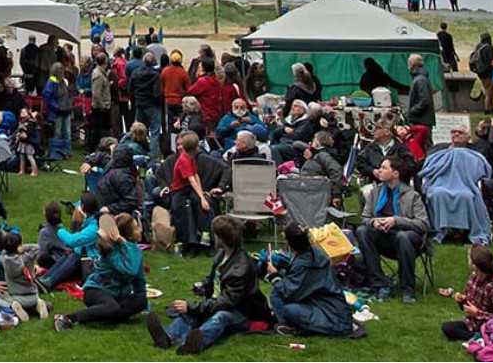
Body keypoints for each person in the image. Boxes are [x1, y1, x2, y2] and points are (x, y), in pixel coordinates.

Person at [147, 215, 273, 355]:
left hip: (243, 312)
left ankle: (193, 342)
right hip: (221, 302)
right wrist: (203, 287)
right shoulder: (222, 254)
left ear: (221, 238)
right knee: (190, 313)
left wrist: (192, 305)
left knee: (220, 317)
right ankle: (166, 337)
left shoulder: (241, 268)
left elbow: (227, 302)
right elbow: (215, 278)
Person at [356, 156, 431, 303]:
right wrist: (374, 222)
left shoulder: (412, 195)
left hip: (409, 240)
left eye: (384, 168)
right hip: (383, 236)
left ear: (395, 173)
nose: (379, 171)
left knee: (402, 236)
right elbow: (364, 218)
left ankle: (408, 289)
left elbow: (423, 224)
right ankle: (379, 283)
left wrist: (396, 221)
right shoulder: (375, 192)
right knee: (362, 231)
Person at [266, 222, 360, 337]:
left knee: (285, 305)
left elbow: (290, 293)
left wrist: (274, 276)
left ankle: (291, 327)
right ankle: (291, 325)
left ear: (290, 243)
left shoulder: (303, 264)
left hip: (331, 316)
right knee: (281, 298)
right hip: (333, 309)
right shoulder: (316, 252)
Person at [55, 214, 147, 331]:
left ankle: (105, 316)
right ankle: (69, 318)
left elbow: (139, 281)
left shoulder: (135, 251)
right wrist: (124, 243)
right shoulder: (112, 251)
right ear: (128, 235)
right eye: (136, 228)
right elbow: (129, 269)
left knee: (141, 300)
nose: (140, 230)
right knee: (112, 308)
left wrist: (141, 304)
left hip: (117, 295)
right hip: (96, 290)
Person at [442, 245, 493, 341]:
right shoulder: (473, 278)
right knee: (447, 327)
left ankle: (482, 337)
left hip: (490, 326)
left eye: (468, 258)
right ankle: (479, 337)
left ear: (474, 266)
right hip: (472, 323)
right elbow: (469, 305)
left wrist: (478, 313)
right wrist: (462, 300)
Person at [38, 193, 101, 291]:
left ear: (83, 207)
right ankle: (45, 278)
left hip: (93, 266)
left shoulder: (94, 228)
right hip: (87, 260)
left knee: (75, 255)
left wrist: (58, 228)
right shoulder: (90, 222)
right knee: (70, 253)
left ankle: (50, 281)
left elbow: (72, 241)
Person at [168, 132, 212, 258]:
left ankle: (205, 235)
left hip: (187, 187)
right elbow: (191, 179)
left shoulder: (190, 157)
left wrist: (201, 193)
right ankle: (181, 242)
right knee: (179, 211)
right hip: (179, 190)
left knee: (201, 204)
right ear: (196, 147)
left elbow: (195, 174)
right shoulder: (184, 160)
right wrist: (202, 198)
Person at [0, 232, 45, 320]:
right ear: (20, 246)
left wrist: (9, 247)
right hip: (33, 295)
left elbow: (2, 253)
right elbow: (37, 247)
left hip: (16, 296)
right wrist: (23, 248)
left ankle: (14, 305)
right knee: (35, 300)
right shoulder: (27, 257)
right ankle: (38, 303)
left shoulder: (4, 260)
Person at [41, 62, 74, 159]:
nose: (60, 71)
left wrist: (70, 103)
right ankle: (57, 152)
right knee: (58, 132)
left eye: (61, 69)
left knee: (67, 132)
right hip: (57, 112)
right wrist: (56, 106)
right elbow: (46, 96)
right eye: (58, 69)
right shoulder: (51, 81)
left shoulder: (65, 81)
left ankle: (67, 152)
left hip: (67, 110)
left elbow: (69, 94)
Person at [474, 33, 493, 114]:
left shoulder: (478, 46)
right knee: (489, 91)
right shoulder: (489, 48)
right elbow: (492, 61)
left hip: (480, 72)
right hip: (488, 72)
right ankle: (487, 109)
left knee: (490, 89)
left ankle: (491, 107)